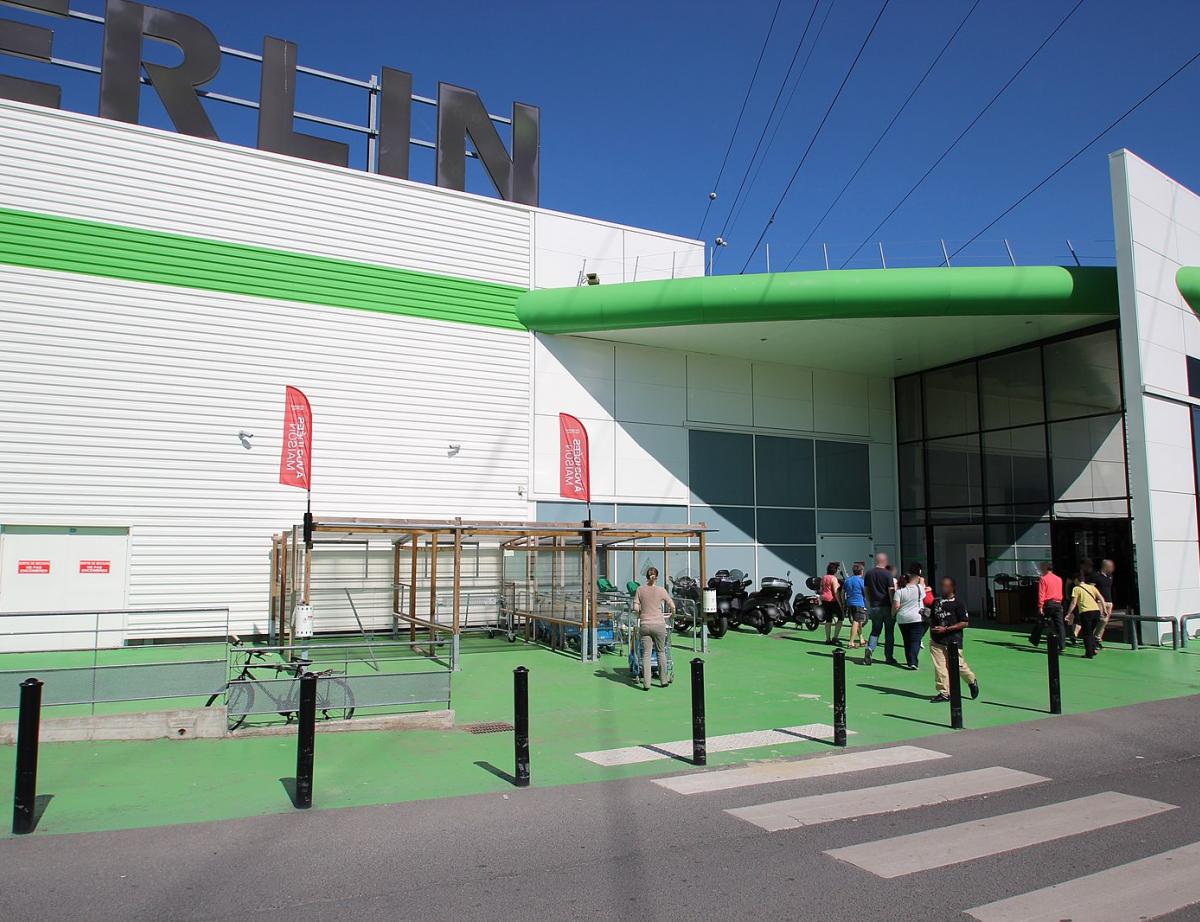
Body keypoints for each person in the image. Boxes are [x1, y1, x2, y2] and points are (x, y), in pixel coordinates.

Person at [929, 576, 979, 702]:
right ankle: (944, 692)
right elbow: (932, 617)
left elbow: (965, 622)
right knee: (940, 667)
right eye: (942, 585)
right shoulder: (936, 602)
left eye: (946, 586)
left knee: (958, 665)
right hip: (937, 640)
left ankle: (971, 680)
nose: (943, 588)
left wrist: (946, 629)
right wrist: (925, 616)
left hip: (953, 639)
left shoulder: (959, 603)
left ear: (952, 588)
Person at [632, 566, 674, 690]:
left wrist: (641, 613)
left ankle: (646, 684)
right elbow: (672, 605)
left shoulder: (640, 590)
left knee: (646, 654)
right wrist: (672, 613)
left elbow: (635, 608)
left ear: (646, 577)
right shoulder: (661, 590)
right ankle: (663, 680)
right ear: (657, 577)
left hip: (645, 624)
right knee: (661, 652)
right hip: (659, 625)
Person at [863, 553, 897, 665]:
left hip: (875, 606)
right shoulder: (888, 574)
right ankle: (889, 656)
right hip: (887, 605)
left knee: (875, 630)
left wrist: (870, 601)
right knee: (889, 632)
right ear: (885, 561)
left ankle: (870, 648)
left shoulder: (869, 573)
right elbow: (891, 591)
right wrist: (893, 605)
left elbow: (866, 590)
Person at [1065, 566, 1105, 659]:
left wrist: (1068, 613)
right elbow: (1100, 597)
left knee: (1087, 634)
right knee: (1091, 632)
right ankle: (1094, 648)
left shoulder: (1076, 588)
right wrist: (1105, 610)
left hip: (1086, 612)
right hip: (1096, 611)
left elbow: (1074, 602)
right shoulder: (1091, 587)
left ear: (1076, 580)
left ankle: (1089, 653)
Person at [893, 568, 926, 670]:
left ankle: (909, 660)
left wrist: (893, 614)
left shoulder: (899, 592)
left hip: (902, 618)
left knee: (906, 640)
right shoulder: (919, 588)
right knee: (915, 640)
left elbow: (896, 606)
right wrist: (920, 578)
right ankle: (913, 661)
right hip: (916, 617)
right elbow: (924, 590)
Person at [1030, 561, 1065, 650]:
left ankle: (1034, 639)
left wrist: (1040, 606)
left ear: (1045, 568)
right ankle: (1062, 645)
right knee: (1060, 625)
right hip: (1058, 603)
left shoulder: (1043, 578)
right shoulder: (1059, 579)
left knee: (1041, 621)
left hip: (1048, 603)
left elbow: (1041, 593)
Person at [843, 562, 868, 648]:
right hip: (859, 603)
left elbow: (843, 592)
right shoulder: (861, 581)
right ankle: (851, 642)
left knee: (859, 622)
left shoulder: (848, 580)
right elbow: (865, 592)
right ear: (861, 571)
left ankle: (861, 639)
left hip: (850, 603)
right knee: (856, 622)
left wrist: (844, 602)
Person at [1092, 559, 1116, 648]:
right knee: (1100, 620)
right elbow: (1092, 589)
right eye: (1110, 566)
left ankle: (1097, 638)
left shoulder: (1110, 576)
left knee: (1105, 622)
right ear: (1105, 566)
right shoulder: (1096, 576)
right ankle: (1094, 638)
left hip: (1109, 602)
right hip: (1099, 602)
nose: (1112, 568)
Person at [820, 562, 844, 646]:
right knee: (841, 617)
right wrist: (840, 603)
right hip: (832, 600)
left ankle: (827, 639)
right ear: (835, 570)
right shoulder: (833, 578)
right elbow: (835, 592)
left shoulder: (824, 577)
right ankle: (835, 637)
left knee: (828, 619)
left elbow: (821, 589)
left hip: (824, 599)